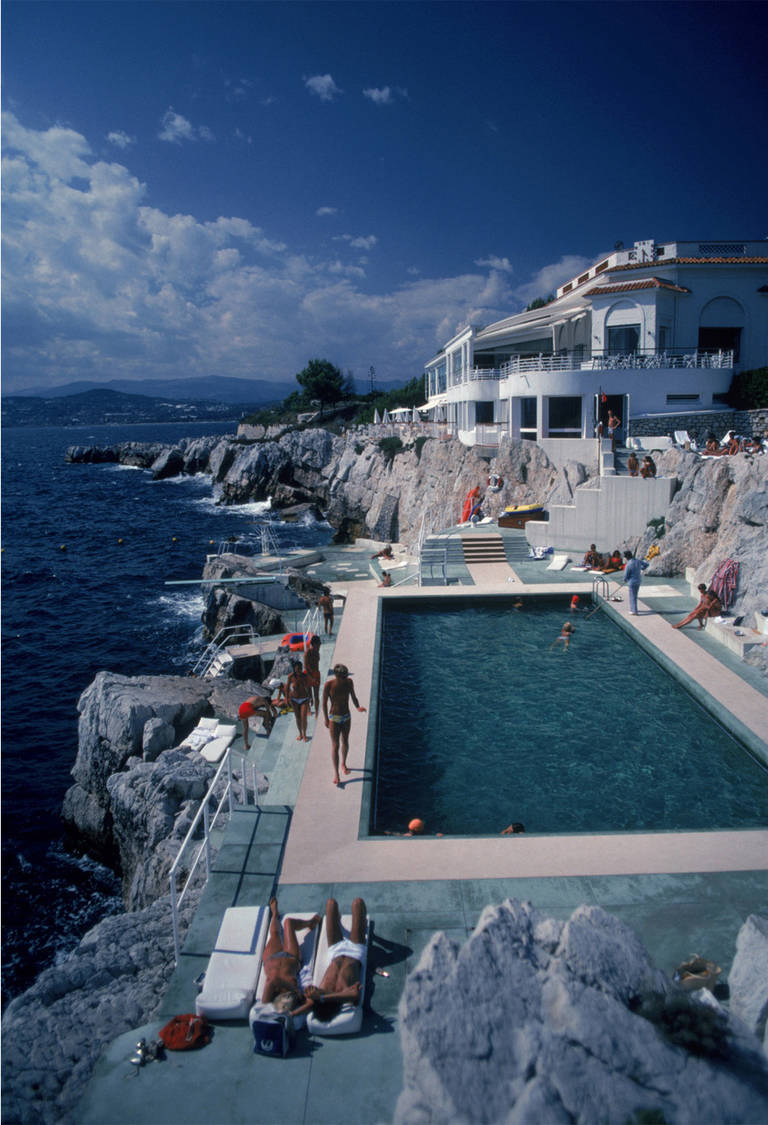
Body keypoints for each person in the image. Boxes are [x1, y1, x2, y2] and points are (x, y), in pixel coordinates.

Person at [260, 897, 322, 1018]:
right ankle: (310, 923)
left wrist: (294, 989)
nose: (288, 998)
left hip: (270, 959)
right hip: (291, 957)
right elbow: (311, 1003)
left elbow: (273, 979)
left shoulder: (267, 1003)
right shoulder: (299, 997)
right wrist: (293, 1014)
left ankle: (274, 914)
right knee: (288, 922)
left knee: (274, 933)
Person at [310, 898, 367, 1024]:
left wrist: (321, 996)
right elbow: (354, 995)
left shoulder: (320, 990)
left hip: (336, 951)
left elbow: (307, 998)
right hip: (355, 951)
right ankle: (362, 923)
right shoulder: (347, 995)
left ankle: (338, 919)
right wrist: (323, 997)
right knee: (357, 903)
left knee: (330, 903)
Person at [322, 663, 366, 786]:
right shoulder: (328, 685)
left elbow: (353, 696)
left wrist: (358, 707)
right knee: (335, 745)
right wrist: (326, 719)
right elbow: (324, 703)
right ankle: (336, 773)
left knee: (345, 741)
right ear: (337, 676)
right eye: (344, 676)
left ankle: (343, 764)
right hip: (334, 718)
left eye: (346, 675)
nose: (346, 677)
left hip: (346, 716)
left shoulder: (349, 682)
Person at [286, 660, 312, 742]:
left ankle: (304, 734)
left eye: (300, 668)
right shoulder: (291, 677)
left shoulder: (305, 676)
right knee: (298, 718)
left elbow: (309, 687)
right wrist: (287, 699)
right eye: (297, 669)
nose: (299, 670)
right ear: (294, 669)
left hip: (304, 699)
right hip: (294, 699)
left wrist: (311, 698)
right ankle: (300, 733)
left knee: (304, 718)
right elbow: (286, 688)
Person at [303, 634, 321, 714]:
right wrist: (311, 677)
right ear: (314, 644)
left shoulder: (317, 653)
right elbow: (306, 667)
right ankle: (309, 710)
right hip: (308, 675)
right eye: (319, 644)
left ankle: (317, 711)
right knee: (308, 695)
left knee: (316, 696)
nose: (320, 645)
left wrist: (315, 676)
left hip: (316, 674)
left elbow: (316, 665)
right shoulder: (307, 653)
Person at [622, 550, 644, 615]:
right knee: (635, 595)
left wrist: (624, 580)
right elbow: (646, 564)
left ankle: (634, 611)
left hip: (632, 582)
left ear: (627, 557)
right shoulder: (638, 561)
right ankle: (633, 609)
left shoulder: (628, 564)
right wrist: (641, 568)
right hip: (638, 581)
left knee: (632, 596)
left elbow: (626, 574)